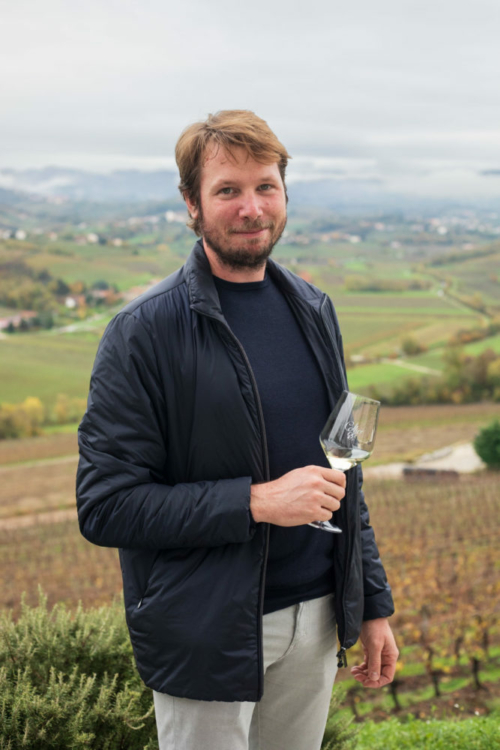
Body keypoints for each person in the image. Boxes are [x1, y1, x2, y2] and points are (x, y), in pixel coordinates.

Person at [76, 110, 398, 750]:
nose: (250, 208)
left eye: (265, 187)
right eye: (227, 190)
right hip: (209, 630)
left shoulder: (313, 308)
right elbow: (105, 507)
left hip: (316, 621)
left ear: (284, 194)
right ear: (192, 204)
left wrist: (372, 603)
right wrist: (255, 502)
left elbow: (344, 466)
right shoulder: (142, 332)